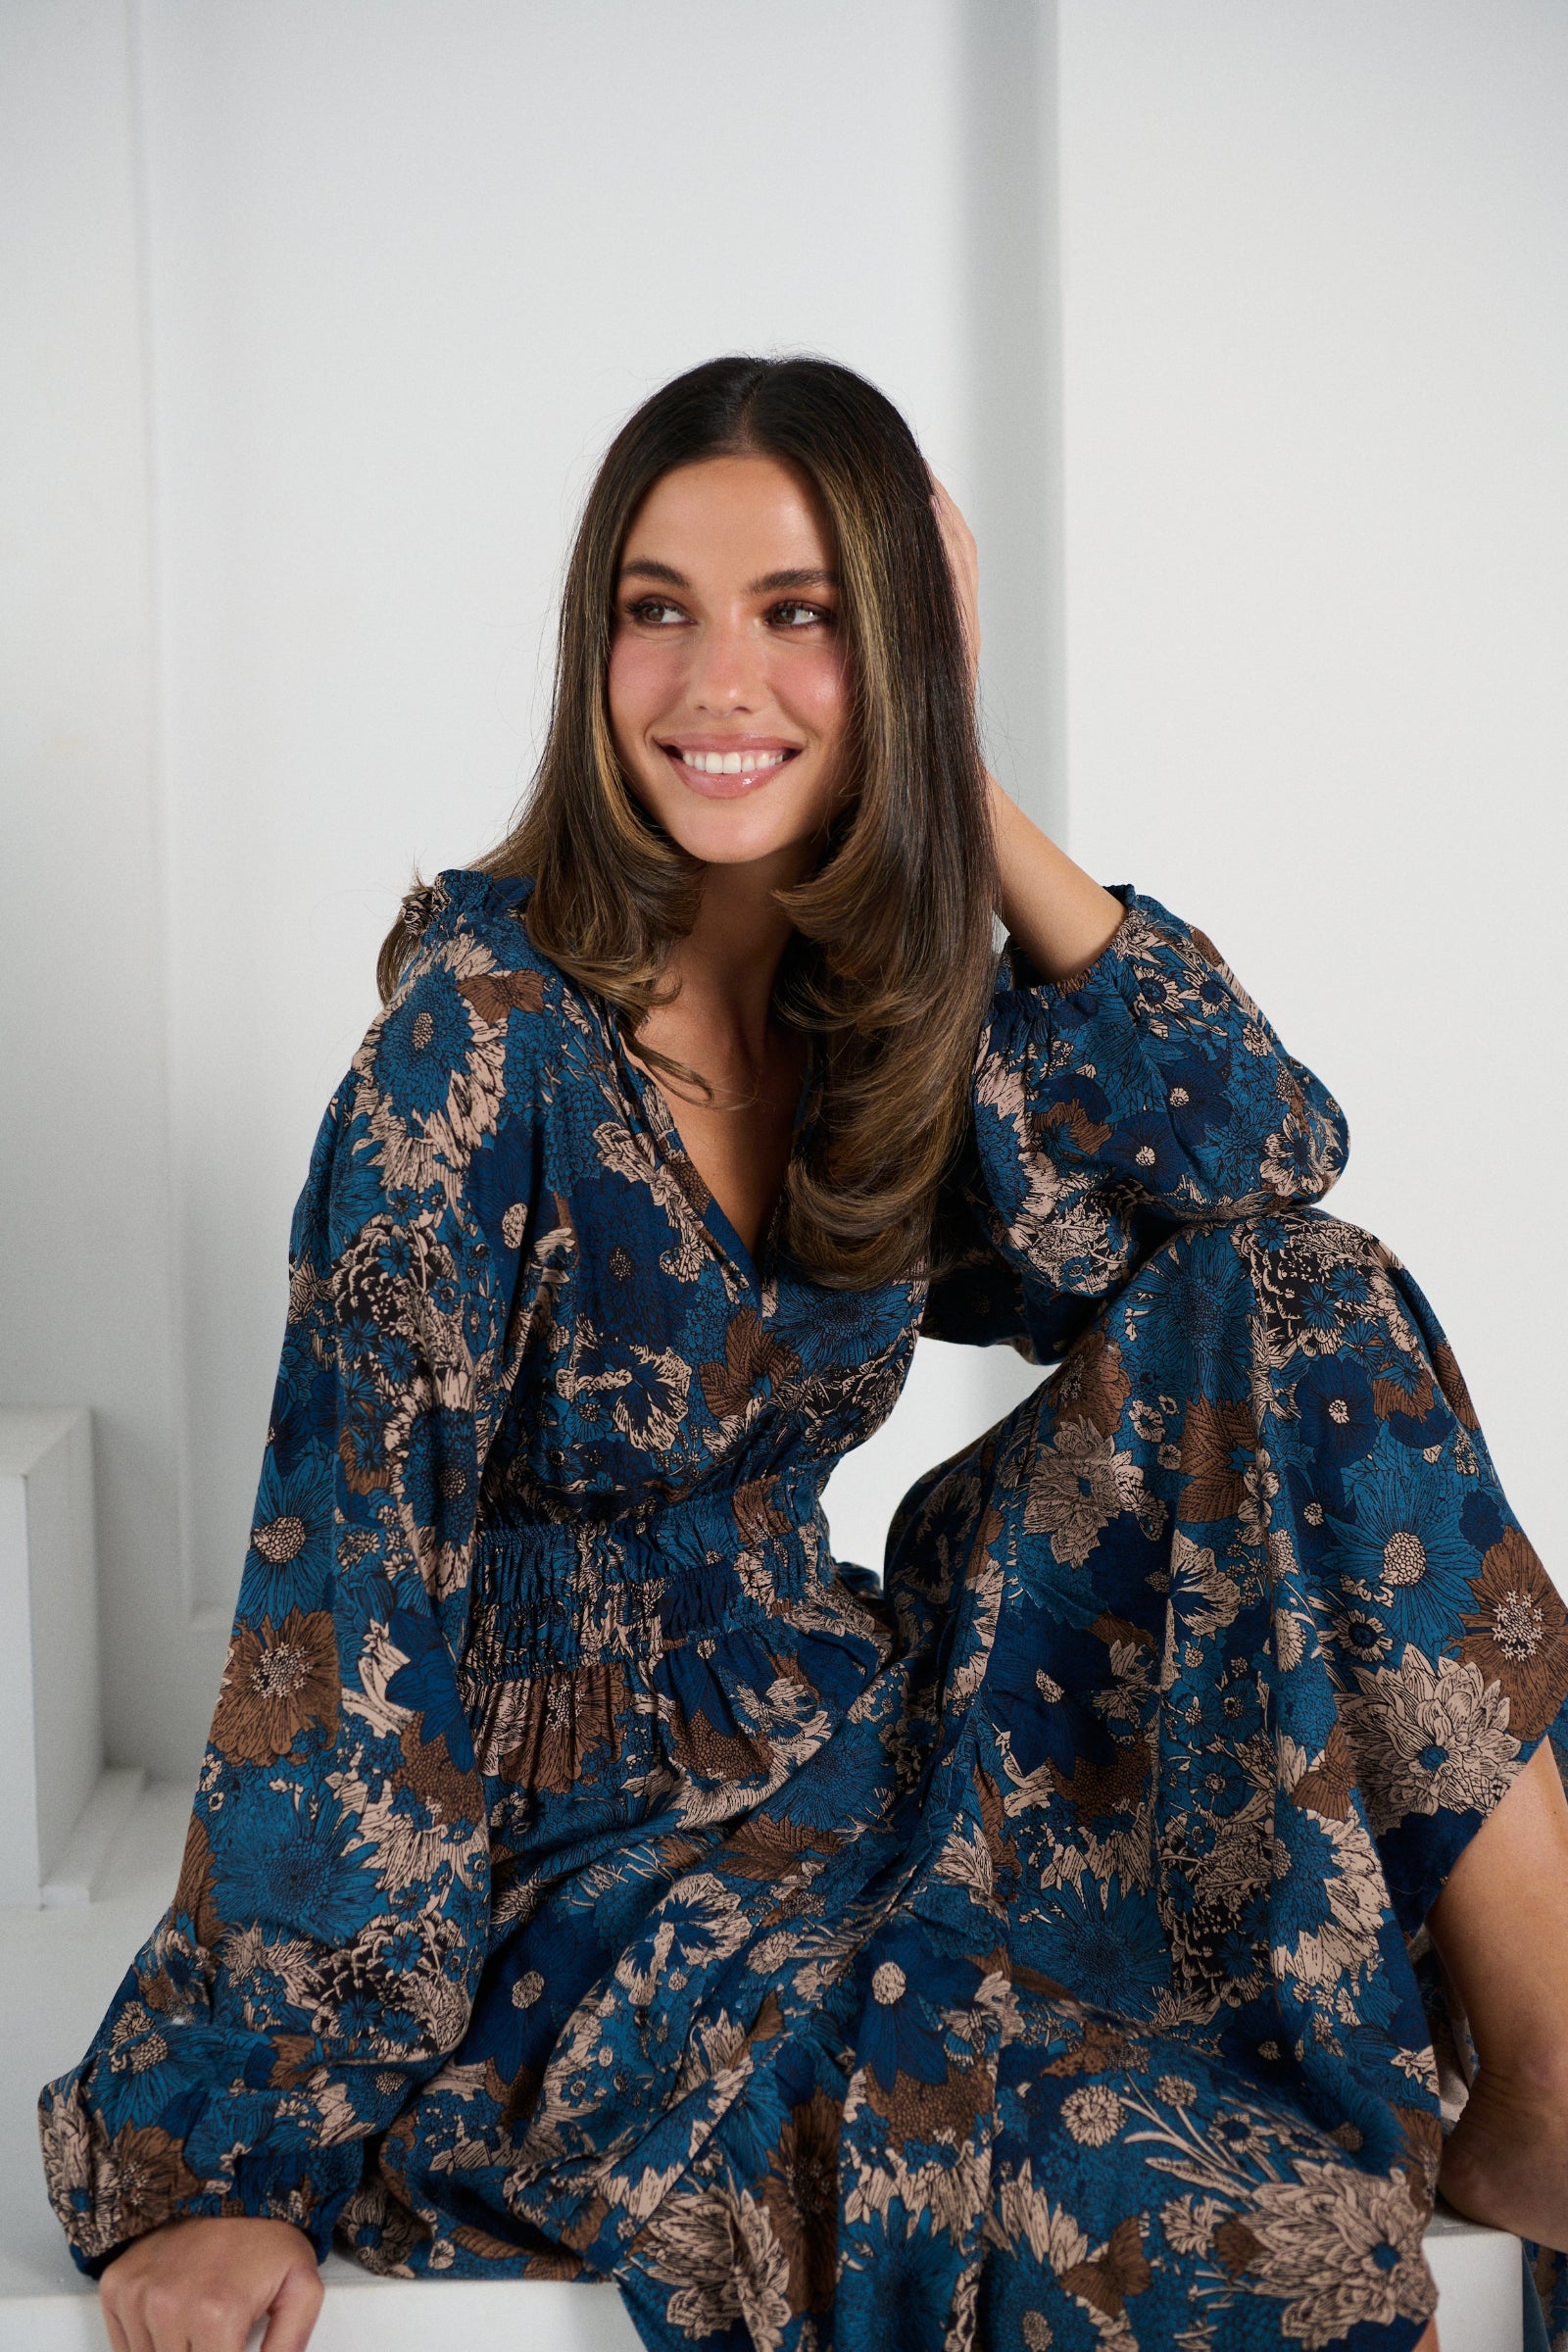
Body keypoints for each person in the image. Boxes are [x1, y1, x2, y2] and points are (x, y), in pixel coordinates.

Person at [40, 354, 1568, 2352]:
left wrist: (954, 757)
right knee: (1226, 2225)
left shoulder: (872, 1012)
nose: (710, 687)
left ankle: (1545, 2088)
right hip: (575, 1856)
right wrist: (236, 2166)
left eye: (804, 618)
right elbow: (342, 1594)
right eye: (655, 610)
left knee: (1295, 1290)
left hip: (844, 1715)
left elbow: (1250, 1147)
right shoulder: (473, 1052)